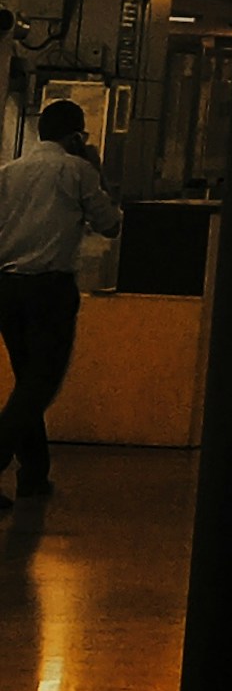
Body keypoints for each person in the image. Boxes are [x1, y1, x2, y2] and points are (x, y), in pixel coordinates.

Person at [0, 99, 121, 506]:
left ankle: (34, 474)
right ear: (75, 137)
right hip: (50, 289)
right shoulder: (77, 170)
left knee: (27, 383)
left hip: (7, 287)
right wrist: (97, 168)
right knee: (40, 383)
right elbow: (110, 225)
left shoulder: (9, 172)